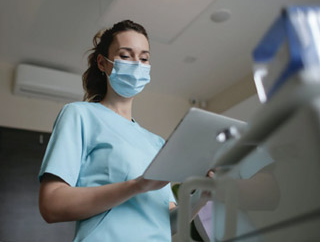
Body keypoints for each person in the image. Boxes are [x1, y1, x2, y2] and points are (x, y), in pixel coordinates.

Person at [38, 20, 209, 242]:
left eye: (144, 58)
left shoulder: (156, 143)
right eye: (126, 56)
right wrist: (138, 185)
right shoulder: (80, 115)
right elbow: (52, 205)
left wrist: (202, 197)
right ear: (102, 63)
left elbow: (164, 222)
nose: (137, 65)